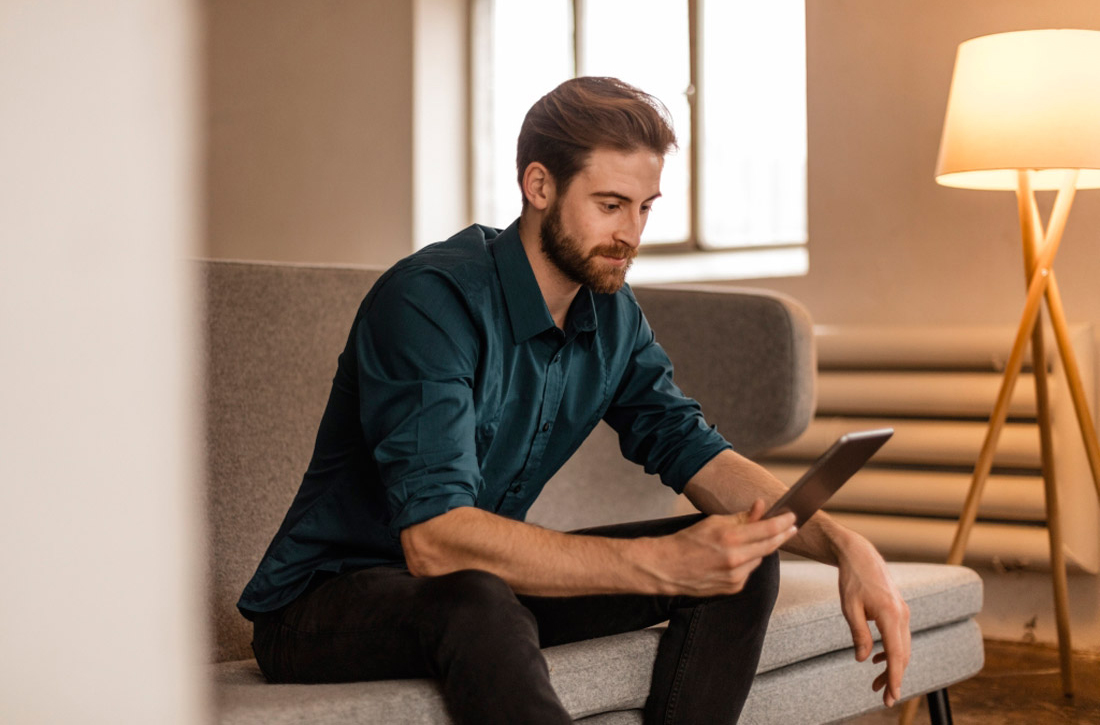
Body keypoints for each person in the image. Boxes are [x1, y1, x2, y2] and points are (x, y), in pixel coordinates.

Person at [238, 76, 910, 724]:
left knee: (744, 557)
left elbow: (695, 451)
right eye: (611, 204)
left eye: (645, 208)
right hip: (323, 603)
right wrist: (657, 563)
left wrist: (846, 544)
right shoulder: (429, 302)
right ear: (538, 186)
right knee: (475, 597)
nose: (632, 234)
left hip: (480, 586)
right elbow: (436, 541)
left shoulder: (610, 316)